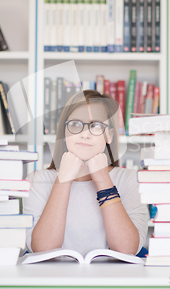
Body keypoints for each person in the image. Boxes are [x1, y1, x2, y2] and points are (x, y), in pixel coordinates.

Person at [24, 90, 149, 256]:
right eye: (75, 124)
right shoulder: (38, 180)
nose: (85, 134)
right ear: (64, 132)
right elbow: (42, 249)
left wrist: (104, 180)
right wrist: (63, 180)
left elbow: (128, 249)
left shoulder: (130, 180)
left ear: (109, 136)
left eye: (96, 126)